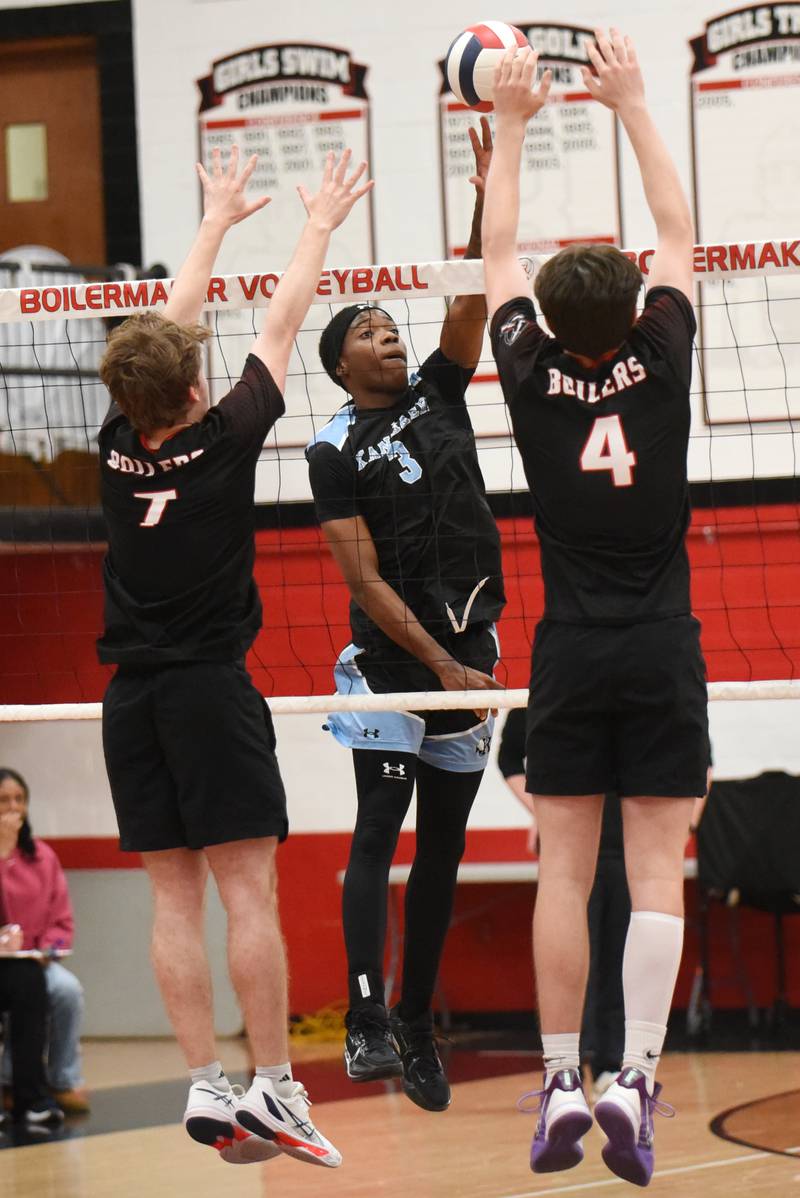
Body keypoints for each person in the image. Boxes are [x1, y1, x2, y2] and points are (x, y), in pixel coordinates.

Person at [97, 145, 372, 1168]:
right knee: (245, 893)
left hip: (130, 699)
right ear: (196, 386)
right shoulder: (224, 437)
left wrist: (211, 221)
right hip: (211, 691)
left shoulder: (114, 446)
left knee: (174, 896)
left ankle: (203, 1080)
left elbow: (165, 336)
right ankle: (274, 1086)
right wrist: (315, 225)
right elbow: (285, 319)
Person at [482, 33, 710, 1186]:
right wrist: (627, 103)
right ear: (633, 303)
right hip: (661, 639)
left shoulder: (522, 368)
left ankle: (560, 1081)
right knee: (655, 866)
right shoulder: (662, 354)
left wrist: (509, 128)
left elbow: (495, 257)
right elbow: (677, 230)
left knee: (562, 872)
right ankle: (637, 1080)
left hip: (566, 647)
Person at [306, 118, 505, 1113]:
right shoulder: (331, 445)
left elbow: (466, 293)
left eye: (392, 325)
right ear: (342, 363)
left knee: (444, 848)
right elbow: (365, 579)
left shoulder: (437, 389)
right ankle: (363, 1018)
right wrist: (433, 667)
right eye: (368, 331)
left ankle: (419, 1023)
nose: (388, 333)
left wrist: (484, 190)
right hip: (392, 658)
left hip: (473, 646)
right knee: (377, 825)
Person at [497, 712, 630, 1100]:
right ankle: (565, 1066)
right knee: (571, 956)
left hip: (623, 842)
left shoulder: (629, 685)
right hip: (569, 844)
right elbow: (508, 758)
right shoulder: (541, 692)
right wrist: (541, 810)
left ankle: (611, 1064)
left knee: (617, 955)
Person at [0, 768, 88, 1115]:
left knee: (67, 991)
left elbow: (62, 921)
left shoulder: (42, 857)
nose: (13, 808)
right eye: (4, 800)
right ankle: (8, 1082)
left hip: (34, 960)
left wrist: (48, 951)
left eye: (19, 800)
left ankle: (62, 1078)